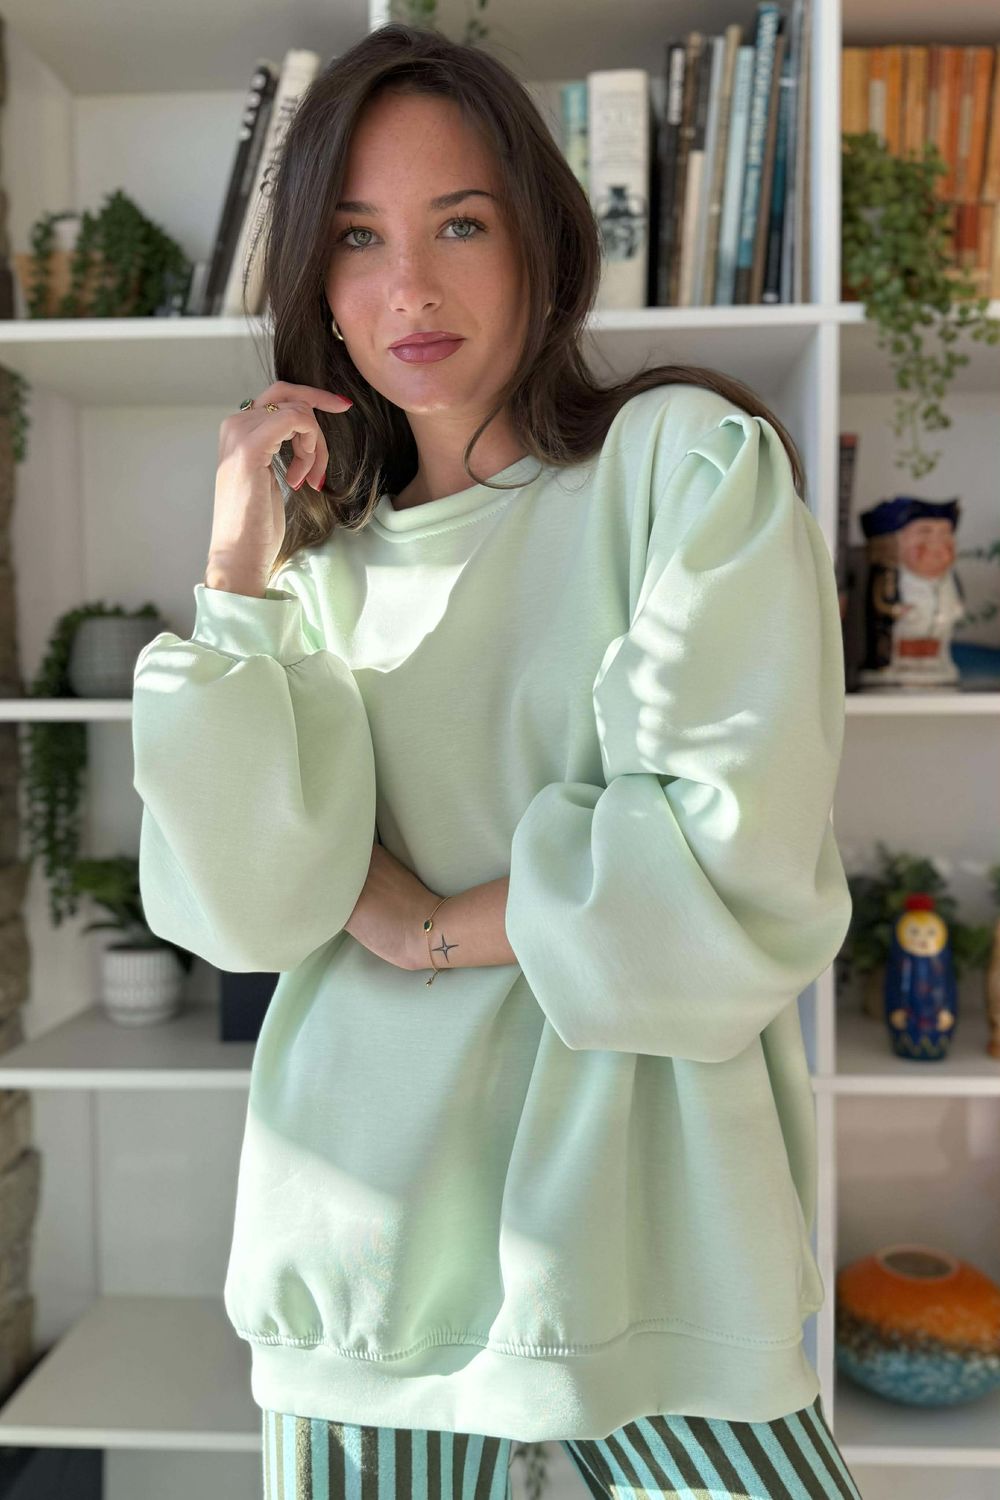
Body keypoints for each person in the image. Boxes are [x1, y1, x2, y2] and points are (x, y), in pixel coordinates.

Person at [131, 22, 864, 1500]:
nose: (409, 285)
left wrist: (418, 925)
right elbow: (244, 909)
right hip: (364, 1230)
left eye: (460, 223)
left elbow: (723, 862)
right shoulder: (309, 579)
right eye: (358, 237)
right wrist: (235, 577)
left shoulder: (681, 467)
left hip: (654, 1223)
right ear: (317, 288)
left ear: (543, 242)